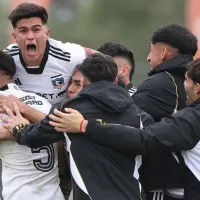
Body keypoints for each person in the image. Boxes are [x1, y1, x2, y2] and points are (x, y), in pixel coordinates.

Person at [1, 54, 154, 200]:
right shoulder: (138, 113)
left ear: (84, 81)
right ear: (115, 80)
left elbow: (32, 137)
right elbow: (154, 140)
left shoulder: (72, 109)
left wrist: (19, 127)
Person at [48, 58, 200, 200]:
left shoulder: (191, 118)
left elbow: (144, 139)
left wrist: (85, 126)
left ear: (197, 88)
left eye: (186, 80)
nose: (183, 85)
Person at [129, 24, 197, 200]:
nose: (148, 58)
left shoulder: (159, 84)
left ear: (163, 52)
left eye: (151, 50)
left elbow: (128, 119)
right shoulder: (184, 80)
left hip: (169, 187)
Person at [0, 51, 65, 200]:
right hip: (54, 194)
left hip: (19, 194)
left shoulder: (2, 104)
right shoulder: (42, 102)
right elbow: (60, 139)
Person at [3, 2, 95, 106]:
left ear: (47, 34)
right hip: (21, 119)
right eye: (23, 31)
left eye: (36, 29)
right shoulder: (7, 59)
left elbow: (105, 61)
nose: (30, 36)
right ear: (15, 36)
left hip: (61, 118)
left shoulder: (69, 55)